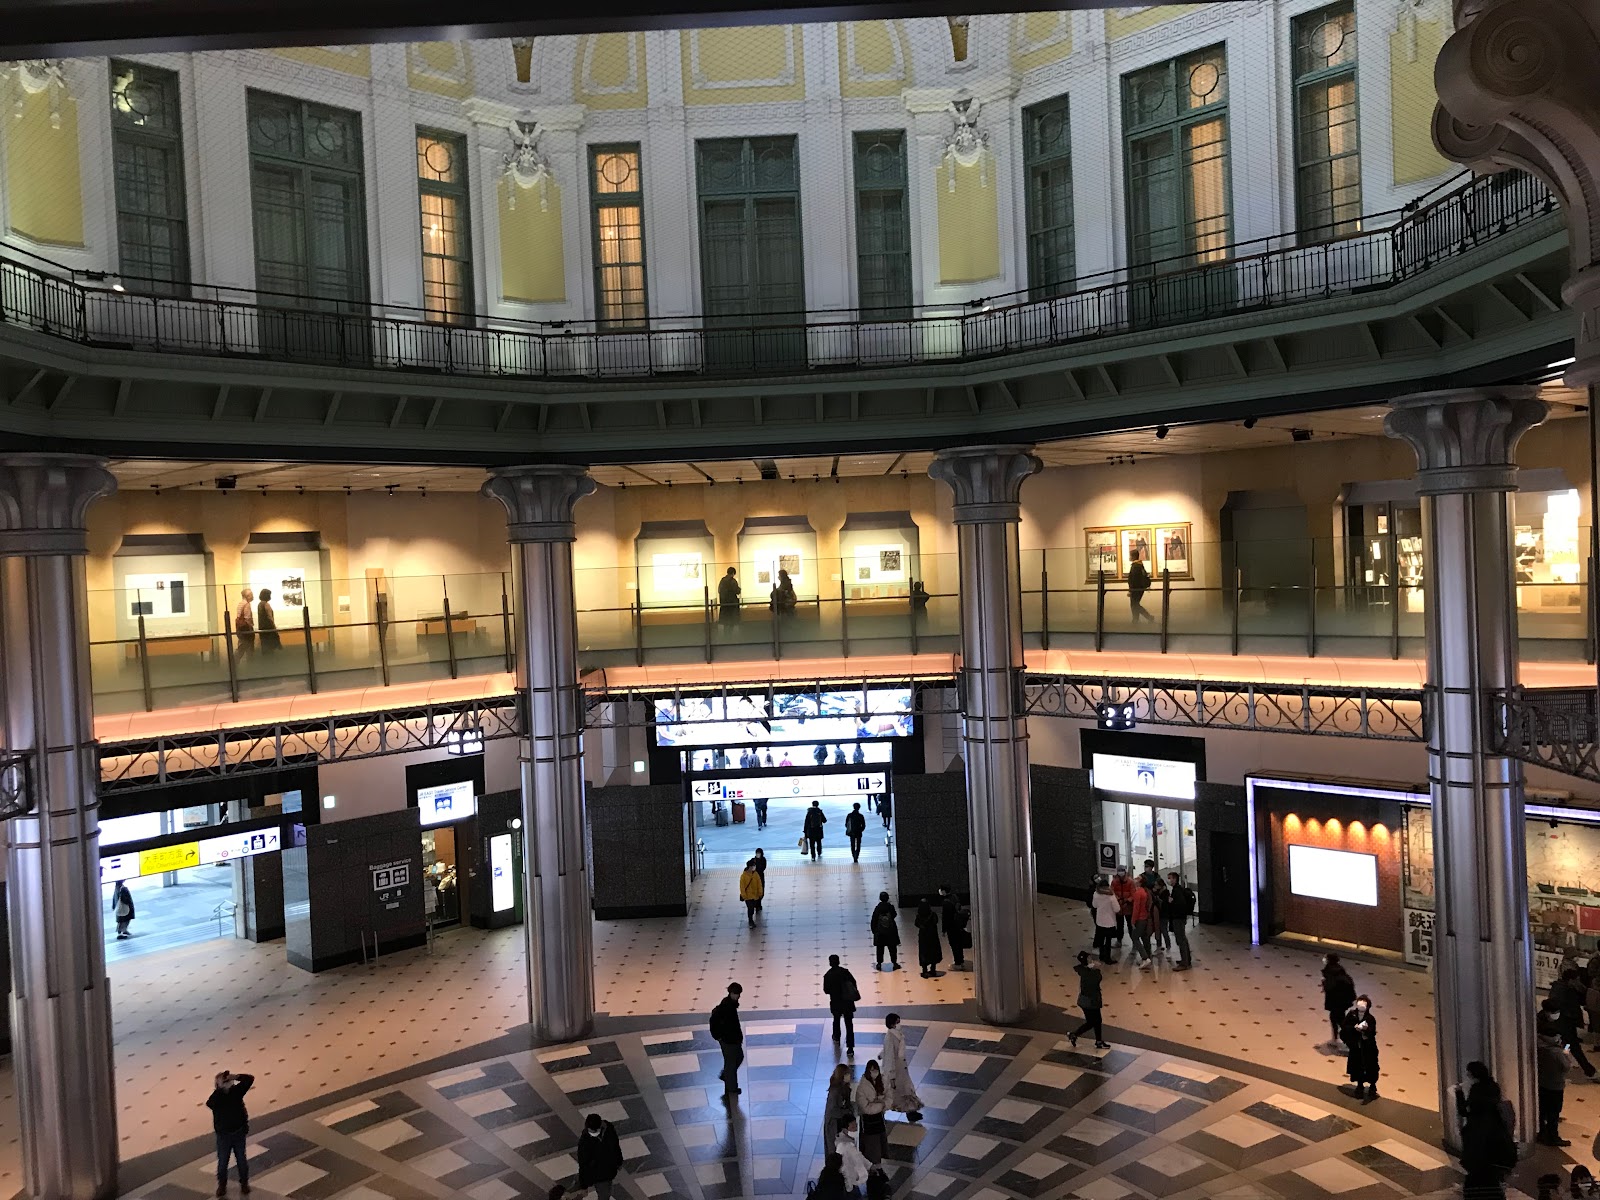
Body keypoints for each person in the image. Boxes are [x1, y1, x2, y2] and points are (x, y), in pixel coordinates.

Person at [1460, 1082, 1517, 1198]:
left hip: (1478, 1178)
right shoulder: (1499, 1118)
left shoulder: (1474, 1125)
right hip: (1492, 1177)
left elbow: (1469, 1153)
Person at [206, 1069, 255, 1197]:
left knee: (241, 1160)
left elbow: (250, 1079)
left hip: (238, 1133)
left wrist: (236, 1076)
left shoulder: (236, 1092)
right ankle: (222, 1185)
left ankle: (244, 1183)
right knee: (223, 1163)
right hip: (224, 1136)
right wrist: (220, 1089)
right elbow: (210, 1103)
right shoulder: (217, 1098)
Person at [1549, 968, 1597, 1078]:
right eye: (1577, 980)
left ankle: (1564, 1062)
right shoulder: (1565, 991)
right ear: (1571, 980)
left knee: (1567, 1046)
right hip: (1565, 1025)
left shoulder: (1560, 987)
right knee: (1574, 1048)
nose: (1578, 982)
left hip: (1564, 1025)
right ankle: (1589, 1071)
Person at [882, 1013, 923, 1121]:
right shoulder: (890, 1037)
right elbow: (890, 1055)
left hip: (900, 1069)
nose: (900, 1024)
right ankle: (882, 1114)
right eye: (898, 1022)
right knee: (896, 1092)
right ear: (892, 1024)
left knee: (906, 1089)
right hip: (895, 1071)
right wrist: (891, 1075)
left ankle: (911, 1112)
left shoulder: (897, 1034)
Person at [1340, 994, 1380, 1102]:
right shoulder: (1352, 1015)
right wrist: (1353, 1029)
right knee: (1357, 1067)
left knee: (1370, 1067)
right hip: (1356, 1047)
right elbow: (1344, 1027)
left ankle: (1372, 1086)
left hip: (1368, 1048)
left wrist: (1366, 1030)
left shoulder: (1370, 1018)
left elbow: (1372, 1032)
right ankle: (1360, 1085)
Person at [576, 1113, 624, 1200]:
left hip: (608, 1171)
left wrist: (619, 1161)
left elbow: (616, 1146)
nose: (592, 1133)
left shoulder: (609, 1129)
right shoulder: (584, 1142)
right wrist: (583, 1185)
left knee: (606, 1194)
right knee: (604, 1196)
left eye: (594, 1131)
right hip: (599, 1175)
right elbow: (583, 1164)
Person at [1538, 1021, 1572, 1146]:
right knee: (1554, 1112)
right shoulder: (1556, 1052)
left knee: (1542, 1110)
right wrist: (1567, 1049)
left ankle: (1541, 1133)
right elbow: (1566, 1066)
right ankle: (1553, 1137)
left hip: (1541, 1082)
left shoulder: (1538, 1045)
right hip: (1555, 1085)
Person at [1069, 950, 1110, 1049]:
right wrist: (1096, 969)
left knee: (1096, 1021)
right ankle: (1074, 1034)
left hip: (1089, 1000)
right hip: (1089, 1001)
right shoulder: (1087, 973)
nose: (1091, 960)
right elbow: (1096, 979)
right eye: (1089, 958)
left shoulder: (1085, 970)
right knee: (1093, 1021)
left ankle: (1098, 1041)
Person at [710, 982, 744, 1101]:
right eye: (736, 994)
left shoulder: (732, 1005)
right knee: (731, 1062)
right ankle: (732, 1087)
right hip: (728, 1040)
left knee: (738, 1058)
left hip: (733, 1039)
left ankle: (726, 1076)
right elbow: (715, 1022)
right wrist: (718, 1037)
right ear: (730, 993)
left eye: (738, 994)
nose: (738, 996)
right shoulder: (726, 1007)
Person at [823, 954, 859, 1052]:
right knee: (849, 1024)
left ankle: (836, 1037)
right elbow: (854, 983)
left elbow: (826, 990)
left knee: (836, 1020)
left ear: (830, 963)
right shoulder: (845, 972)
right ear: (838, 961)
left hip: (836, 1002)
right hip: (847, 1002)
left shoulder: (828, 975)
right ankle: (850, 1047)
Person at [854, 1060, 887, 1165]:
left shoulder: (881, 1082)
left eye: (876, 1070)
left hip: (879, 1121)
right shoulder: (862, 1087)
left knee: (879, 1147)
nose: (875, 1072)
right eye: (872, 1070)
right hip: (868, 1123)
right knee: (871, 1148)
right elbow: (865, 1108)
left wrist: (879, 1104)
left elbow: (888, 1097)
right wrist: (881, 1105)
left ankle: (877, 1167)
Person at [1321, 955, 1357, 1049]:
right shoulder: (1339, 970)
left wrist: (1325, 983)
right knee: (1338, 1018)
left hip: (1337, 1001)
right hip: (1343, 1001)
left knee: (1338, 1019)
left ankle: (1348, 1040)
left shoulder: (1331, 972)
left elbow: (1331, 986)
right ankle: (1337, 1039)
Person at [834, 1116, 872, 1193]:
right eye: (853, 1127)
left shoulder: (849, 1142)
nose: (856, 1129)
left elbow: (858, 1156)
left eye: (856, 1126)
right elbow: (844, 1169)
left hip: (854, 1181)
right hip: (851, 1184)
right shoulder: (843, 1147)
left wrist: (869, 1165)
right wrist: (849, 1187)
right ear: (845, 1129)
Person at [1166, 872, 1195, 970]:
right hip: (1180, 917)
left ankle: (1184, 963)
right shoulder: (1177, 889)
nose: (1168, 880)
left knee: (1180, 939)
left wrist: (1171, 902)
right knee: (1182, 938)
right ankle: (1186, 959)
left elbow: (1179, 905)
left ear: (1175, 879)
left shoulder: (1177, 891)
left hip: (1178, 918)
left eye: (1170, 878)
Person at [822, 1062, 855, 1148]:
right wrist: (846, 1111)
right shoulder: (835, 1092)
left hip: (840, 1122)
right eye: (847, 1074)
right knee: (834, 1148)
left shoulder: (845, 1089)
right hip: (833, 1125)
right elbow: (833, 1111)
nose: (849, 1076)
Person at [1090, 879, 1120, 964]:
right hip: (1109, 921)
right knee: (1108, 940)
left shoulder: (1096, 894)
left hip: (1100, 920)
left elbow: (1094, 905)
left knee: (1101, 939)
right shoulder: (1111, 896)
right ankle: (1108, 958)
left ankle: (1101, 955)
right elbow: (1117, 909)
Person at [939, 885, 969, 970]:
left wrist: (943, 930)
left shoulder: (946, 902)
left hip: (951, 927)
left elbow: (945, 917)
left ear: (944, 891)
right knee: (959, 944)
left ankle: (957, 963)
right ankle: (961, 961)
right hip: (959, 925)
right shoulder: (955, 897)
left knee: (954, 945)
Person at [871, 892, 900, 970]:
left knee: (880, 948)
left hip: (880, 932)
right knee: (892, 948)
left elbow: (874, 919)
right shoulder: (890, 907)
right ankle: (894, 962)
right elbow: (894, 915)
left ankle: (879, 963)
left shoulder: (877, 908)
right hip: (891, 931)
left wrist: (874, 930)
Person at [1128, 877, 1154, 967]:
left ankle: (1145, 957)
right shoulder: (1145, 892)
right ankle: (1148, 956)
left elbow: (1136, 908)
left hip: (1140, 919)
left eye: (1137, 879)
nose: (1135, 879)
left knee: (1134, 937)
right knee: (1145, 938)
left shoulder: (1138, 893)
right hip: (1145, 917)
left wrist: (1133, 921)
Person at [915, 898, 943, 978]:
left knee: (924, 952)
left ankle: (924, 970)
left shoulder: (919, 916)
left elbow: (916, 923)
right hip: (932, 936)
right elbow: (936, 921)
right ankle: (933, 969)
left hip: (923, 936)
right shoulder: (933, 914)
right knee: (933, 951)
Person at [1109, 866, 1135, 948]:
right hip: (1118, 907)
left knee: (1130, 925)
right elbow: (1112, 892)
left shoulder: (1130, 882)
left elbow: (1133, 894)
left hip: (1128, 907)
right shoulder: (1114, 882)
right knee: (1119, 926)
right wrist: (1118, 899)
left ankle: (1135, 941)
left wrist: (1127, 900)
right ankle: (1119, 940)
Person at [1127, 550, 1152, 622]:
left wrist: (1131, 590)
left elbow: (1133, 579)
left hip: (1136, 589)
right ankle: (1136, 619)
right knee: (1135, 604)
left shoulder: (1135, 566)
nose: (1129, 557)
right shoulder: (1139, 565)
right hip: (1140, 588)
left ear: (1133, 556)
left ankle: (1148, 617)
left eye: (1130, 555)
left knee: (1134, 605)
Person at [740, 859, 764, 928]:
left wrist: (760, 892)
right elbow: (742, 886)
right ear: (749, 867)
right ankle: (750, 920)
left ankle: (751, 920)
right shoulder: (743, 876)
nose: (754, 867)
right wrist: (744, 895)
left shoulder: (755, 874)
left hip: (755, 895)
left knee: (752, 908)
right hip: (747, 896)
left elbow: (759, 883)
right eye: (753, 866)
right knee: (750, 908)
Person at [256, 588, 280, 653]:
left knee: (265, 646)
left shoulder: (259, 604)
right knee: (270, 647)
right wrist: (274, 627)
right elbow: (270, 617)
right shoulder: (266, 604)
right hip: (269, 628)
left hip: (262, 628)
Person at [233, 587, 255, 657]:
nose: (252, 596)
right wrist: (251, 627)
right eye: (251, 594)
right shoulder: (247, 604)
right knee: (246, 647)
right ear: (247, 596)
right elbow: (247, 618)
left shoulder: (240, 603)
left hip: (240, 628)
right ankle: (235, 662)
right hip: (246, 629)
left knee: (242, 645)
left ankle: (234, 661)